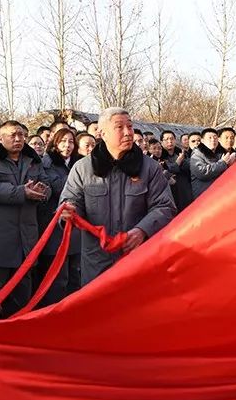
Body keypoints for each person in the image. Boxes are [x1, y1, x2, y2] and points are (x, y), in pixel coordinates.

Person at [61, 107, 176, 285]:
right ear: (102, 133)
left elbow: (164, 206)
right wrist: (69, 211)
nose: (127, 132)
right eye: (119, 127)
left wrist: (142, 230)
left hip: (137, 259)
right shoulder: (83, 168)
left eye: (129, 126)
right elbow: (70, 201)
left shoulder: (150, 168)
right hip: (96, 262)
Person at [0, 120, 51, 318]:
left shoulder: (32, 158)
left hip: (26, 240)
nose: (18, 139)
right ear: (0, 139)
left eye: (21, 135)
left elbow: (47, 184)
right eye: (12, 135)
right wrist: (22, 192)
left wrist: (43, 192)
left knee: (21, 299)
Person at [36, 127, 82, 304]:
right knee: (57, 279)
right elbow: (58, 188)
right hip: (54, 227)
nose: (67, 145)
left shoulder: (78, 163)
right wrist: (78, 178)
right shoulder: (45, 164)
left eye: (71, 141)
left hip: (75, 226)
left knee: (74, 276)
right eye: (63, 141)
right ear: (54, 143)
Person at [191, 127, 236, 200]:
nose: (213, 140)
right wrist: (223, 163)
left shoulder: (219, 154)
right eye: (209, 138)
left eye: (215, 138)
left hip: (218, 194)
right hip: (203, 196)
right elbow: (201, 172)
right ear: (202, 141)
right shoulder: (197, 154)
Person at [161, 130, 192, 210]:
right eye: (166, 139)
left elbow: (189, 167)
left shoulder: (182, 153)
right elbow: (166, 171)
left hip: (185, 190)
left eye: (172, 139)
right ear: (161, 142)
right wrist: (178, 163)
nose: (170, 141)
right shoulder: (159, 156)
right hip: (169, 194)